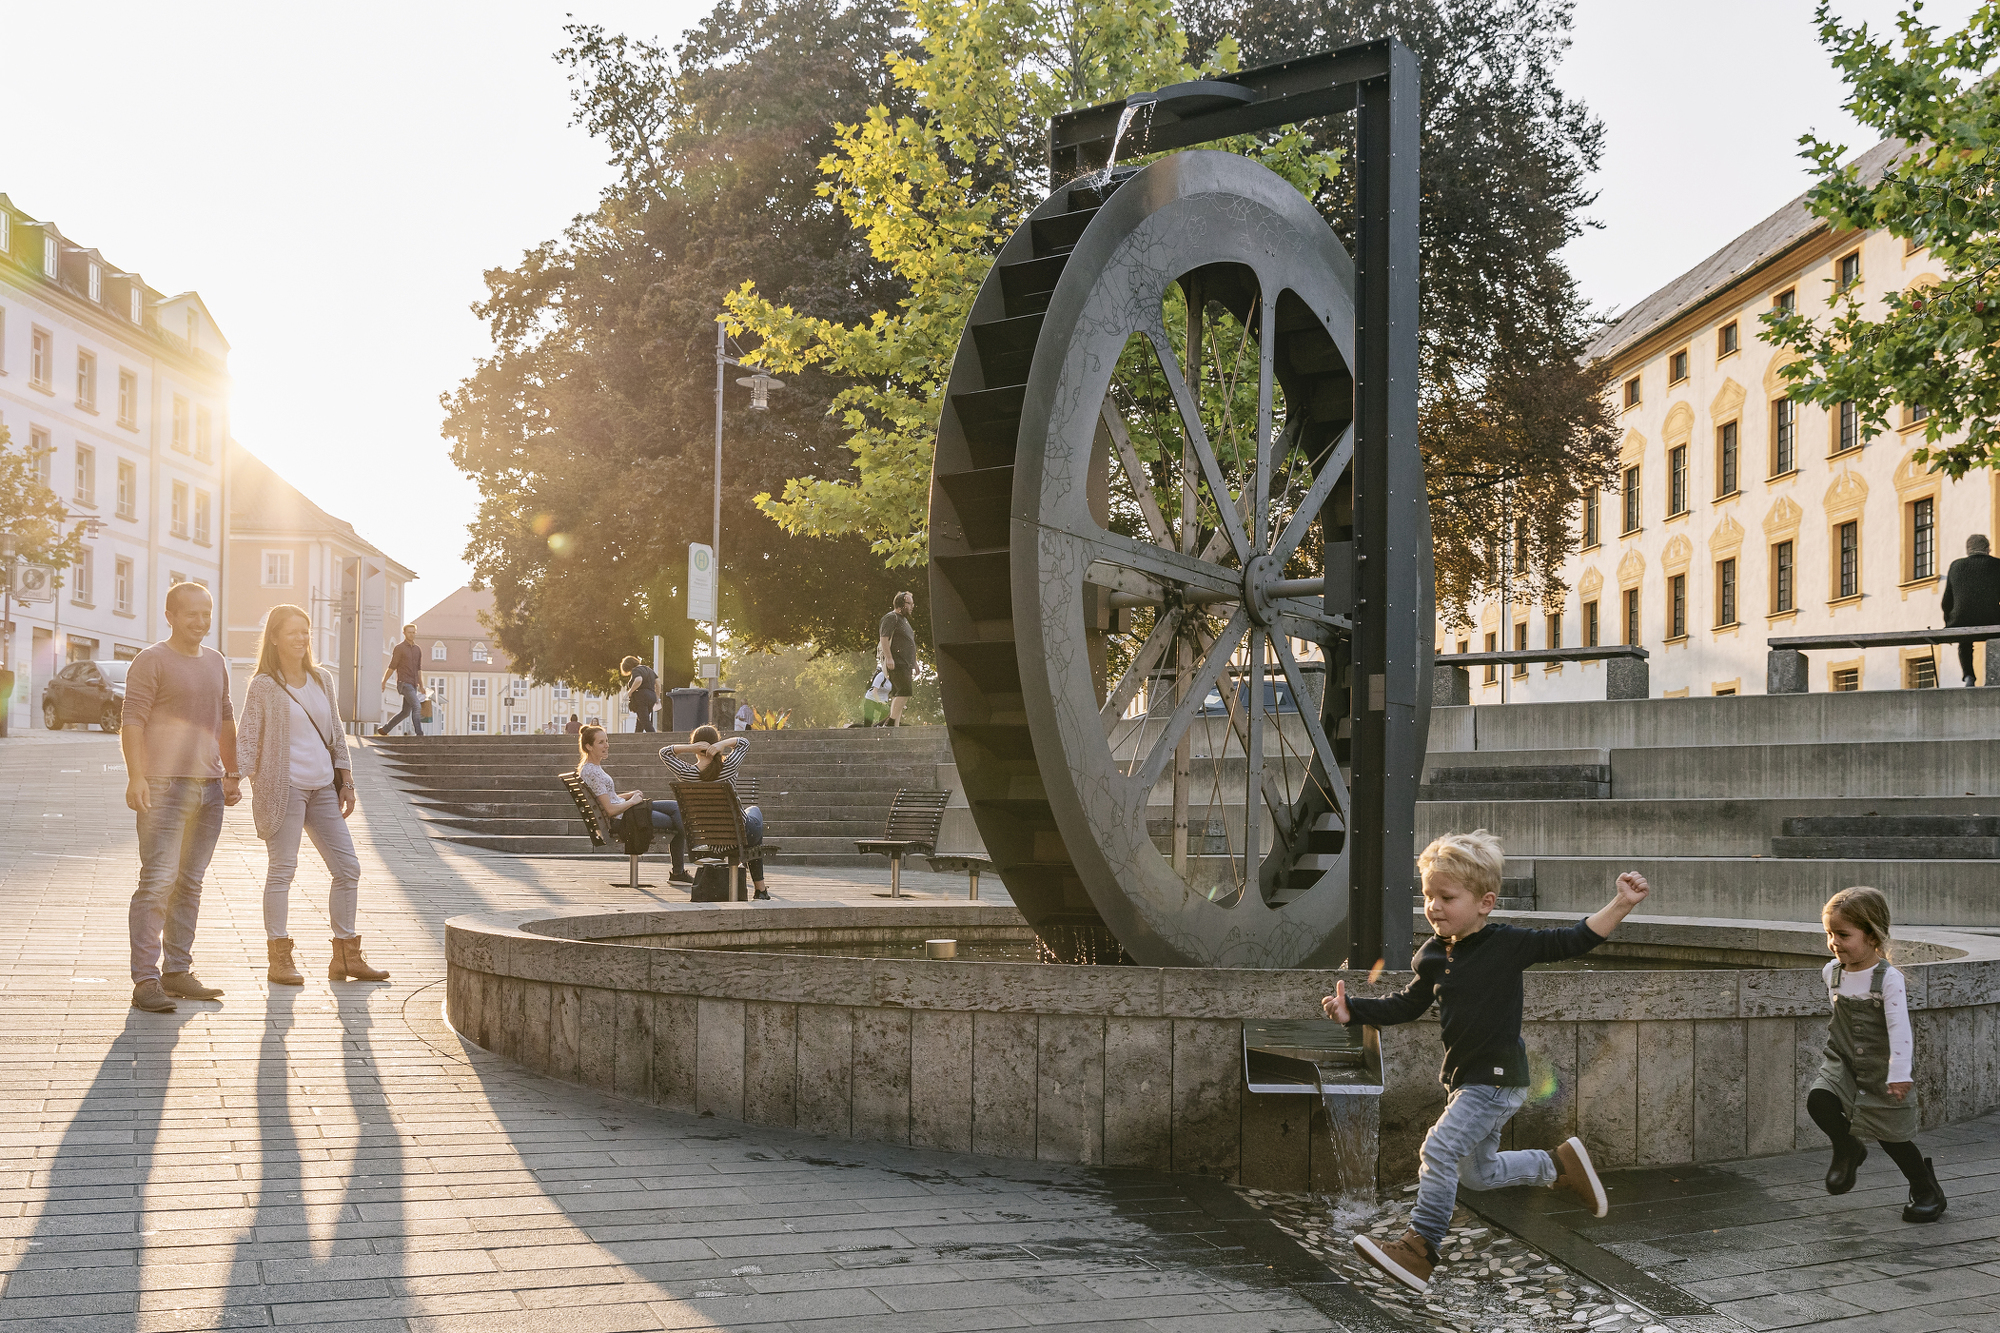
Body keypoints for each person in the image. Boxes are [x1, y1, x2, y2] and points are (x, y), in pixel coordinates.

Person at [1322, 830, 1651, 1293]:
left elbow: (1572, 940)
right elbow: (1406, 1005)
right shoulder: (1433, 954)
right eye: (1428, 896)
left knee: (1438, 1150)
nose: (1433, 906)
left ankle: (1420, 1249)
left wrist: (1621, 904)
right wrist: (1352, 1010)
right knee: (1476, 1174)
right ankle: (1559, 1166)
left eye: (1446, 897)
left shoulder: (1507, 943)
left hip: (1496, 1079)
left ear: (1485, 902)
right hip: (1465, 1081)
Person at [237, 605, 389, 986]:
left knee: (347, 868)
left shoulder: (322, 679)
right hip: (283, 788)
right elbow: (248, 736)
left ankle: (345, 956)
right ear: (274, 637)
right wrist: (233, 779)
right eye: (293, 632)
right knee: (283, 871)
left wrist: (347, 779)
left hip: (322, 788)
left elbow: (335, 731)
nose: (302, 638)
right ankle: (279, 956)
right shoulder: (264, 686)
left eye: (306, 631)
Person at [122, 583, 240, 1013]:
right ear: (170, 615)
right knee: (157, 881)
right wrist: (137, 777)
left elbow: (225, 716)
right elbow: (132, 720)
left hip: (209, 787)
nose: (200, 621)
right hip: (163, 786)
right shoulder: (151, 660)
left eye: (206, 613)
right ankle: (146, 980)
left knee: (190, 882)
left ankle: (177, 971)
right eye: (191, 613)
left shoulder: (216, 661)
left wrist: (233, 772)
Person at [1812, 887, 1945, 1223]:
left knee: (1893, 1138)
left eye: (1843, 934)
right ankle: (1848, 1147)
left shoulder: (1888, 979)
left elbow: (1900, 1028)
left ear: (1872, 936)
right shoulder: (1833, 973)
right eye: (1830, 934)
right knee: (1819, 1100)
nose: (1834, 942)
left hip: (1880, 1069)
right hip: (1842, 1062)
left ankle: (1926, 1188)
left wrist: (1899, 1072)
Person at [660, 724, 767, 898]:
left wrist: (690, 748)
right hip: (741, 837)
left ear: (696, 746)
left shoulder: (687, 774)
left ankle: (760, 888)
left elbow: (664, 753)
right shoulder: (729, 767)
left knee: (750, 820)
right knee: (754, 811)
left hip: (710, 841)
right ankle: (760, 889)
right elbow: (744, 743)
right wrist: (722, 744)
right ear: (715, 744)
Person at [575, 724, 689, 880]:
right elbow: (610, 810)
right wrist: (633, 801)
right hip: (624, 818)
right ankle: (689, 863)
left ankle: (683, 868)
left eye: (607, 741)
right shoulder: (592, 771)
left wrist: (629, 795)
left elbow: (607, 799)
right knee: (678, 819)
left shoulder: (591, 768)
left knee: (677, 807)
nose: (607, 745)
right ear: (588, 746)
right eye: (601, 742)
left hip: (627, 812)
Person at [1942, 534, 2000, 686]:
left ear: (1968, 550)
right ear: (1988, 549)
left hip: (1960, 621)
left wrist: (1949, 621)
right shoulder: (1997, 565)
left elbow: (1946, 601)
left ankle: (1969, 676)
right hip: (1991, 619)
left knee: (1964, 642)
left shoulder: (1956, 566)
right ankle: (1995, 676)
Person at [876, 590, 918, 726]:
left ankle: (894, 727)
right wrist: (889, 658)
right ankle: (890, 722)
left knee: (899, 695)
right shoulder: (891, 617)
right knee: (905, 691)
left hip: (906, 663)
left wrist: (915, 663)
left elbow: (908, 643)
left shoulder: (904, 621)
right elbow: (884, 638)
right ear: (901, 604)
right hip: (897, 662)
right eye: (910, 603)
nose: (912, 606)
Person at [376, 624, 425, 735]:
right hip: (404, 683)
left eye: (413, 632)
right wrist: (384, 682)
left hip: (413, 685)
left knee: (405, 712)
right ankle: (420, 734)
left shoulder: (418, 650)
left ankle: (385, 729)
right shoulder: (399, 648)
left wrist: (421, 685)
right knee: (417, 706)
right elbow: (392, 667)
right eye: (409, 632)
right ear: (404, 633)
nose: (411, 634)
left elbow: (419, 669)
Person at [621, 655, 659, 733]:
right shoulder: (649, 670)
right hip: (652, 696)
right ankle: (637, 735)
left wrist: (630, 692)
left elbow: (639, 680)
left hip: (642, 697)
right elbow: (658, 683)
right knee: (641, 719)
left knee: (645, 721)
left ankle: (654, 736)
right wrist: (657, 697)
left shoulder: (636, 670)